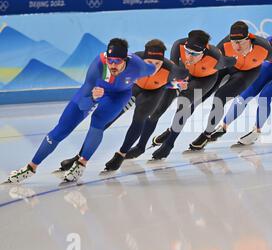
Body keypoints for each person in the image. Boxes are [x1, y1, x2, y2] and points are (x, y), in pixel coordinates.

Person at [4, 38, 157, 183]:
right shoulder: (98, 66)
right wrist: (93, 97)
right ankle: (31, 167)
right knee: (62, 128)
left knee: (98, 122)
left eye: (117, 61)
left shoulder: (138, 66)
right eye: (110, 60)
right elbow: (83, 105)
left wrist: (172, 81)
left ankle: (81, 164)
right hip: (94, 91)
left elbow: (154, 68)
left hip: (119, 96)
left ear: (125, 60)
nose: (113, 65)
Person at [57, 39, 189, 172]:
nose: (153, 67)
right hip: (133, 88)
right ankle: (79, 156)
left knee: (139, 118)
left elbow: (173, 81)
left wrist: (177, 85)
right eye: (149, 62)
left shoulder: (171, 68)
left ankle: (121, 155)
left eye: (157, 63)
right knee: (106, 120)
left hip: (153, 93)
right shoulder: (134, 60)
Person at [155, 21, 272, 155]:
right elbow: (212, 58)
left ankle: (207, 134)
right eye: (233, 41)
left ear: (249, 38)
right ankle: (172, 130)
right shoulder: (224, 45)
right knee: (197, 98)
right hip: (226, 68)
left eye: (240, 42)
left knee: (220, 97)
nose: (236, 46)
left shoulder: (263, 47)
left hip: (247, 74)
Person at [210, 24, 272, 145]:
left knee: (265, 97)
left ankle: (256, 131)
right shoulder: (268, 42)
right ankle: (224, 126)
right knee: (245, 93)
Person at [149, 30, 236, 160]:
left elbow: (233, 61)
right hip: (184, 73)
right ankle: (170, 131)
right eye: (187, 51)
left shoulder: (216, 58)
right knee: (162, 105)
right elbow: (174, 71)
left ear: (204, 50)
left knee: (186, 104)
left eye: (195, 54)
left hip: (205, 79)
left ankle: (169, 142)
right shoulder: (178, 45)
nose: (189, 56)